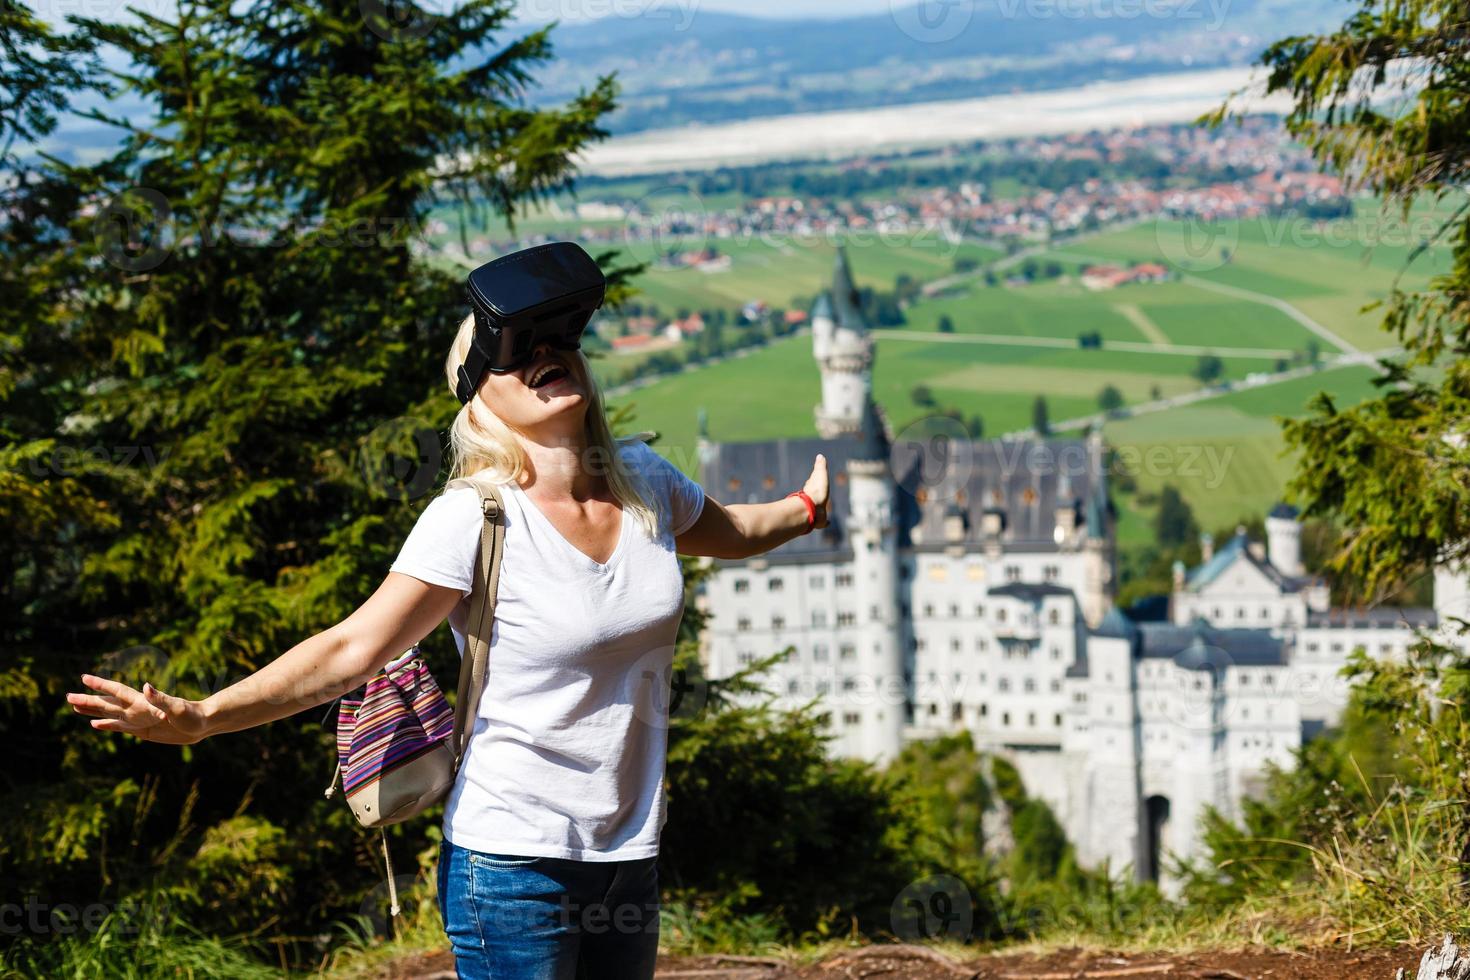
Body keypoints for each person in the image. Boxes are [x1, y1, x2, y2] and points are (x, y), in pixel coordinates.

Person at [65, 305, 830, 980]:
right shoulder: (475, 518)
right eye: (513, 349)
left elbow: (730, 531)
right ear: (478, 395)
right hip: (512, 862)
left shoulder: (643, 482)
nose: (543, 354)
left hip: (627, 853)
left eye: (556, 338)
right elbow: (350, 649)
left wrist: (804, 508)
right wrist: (202, 717)